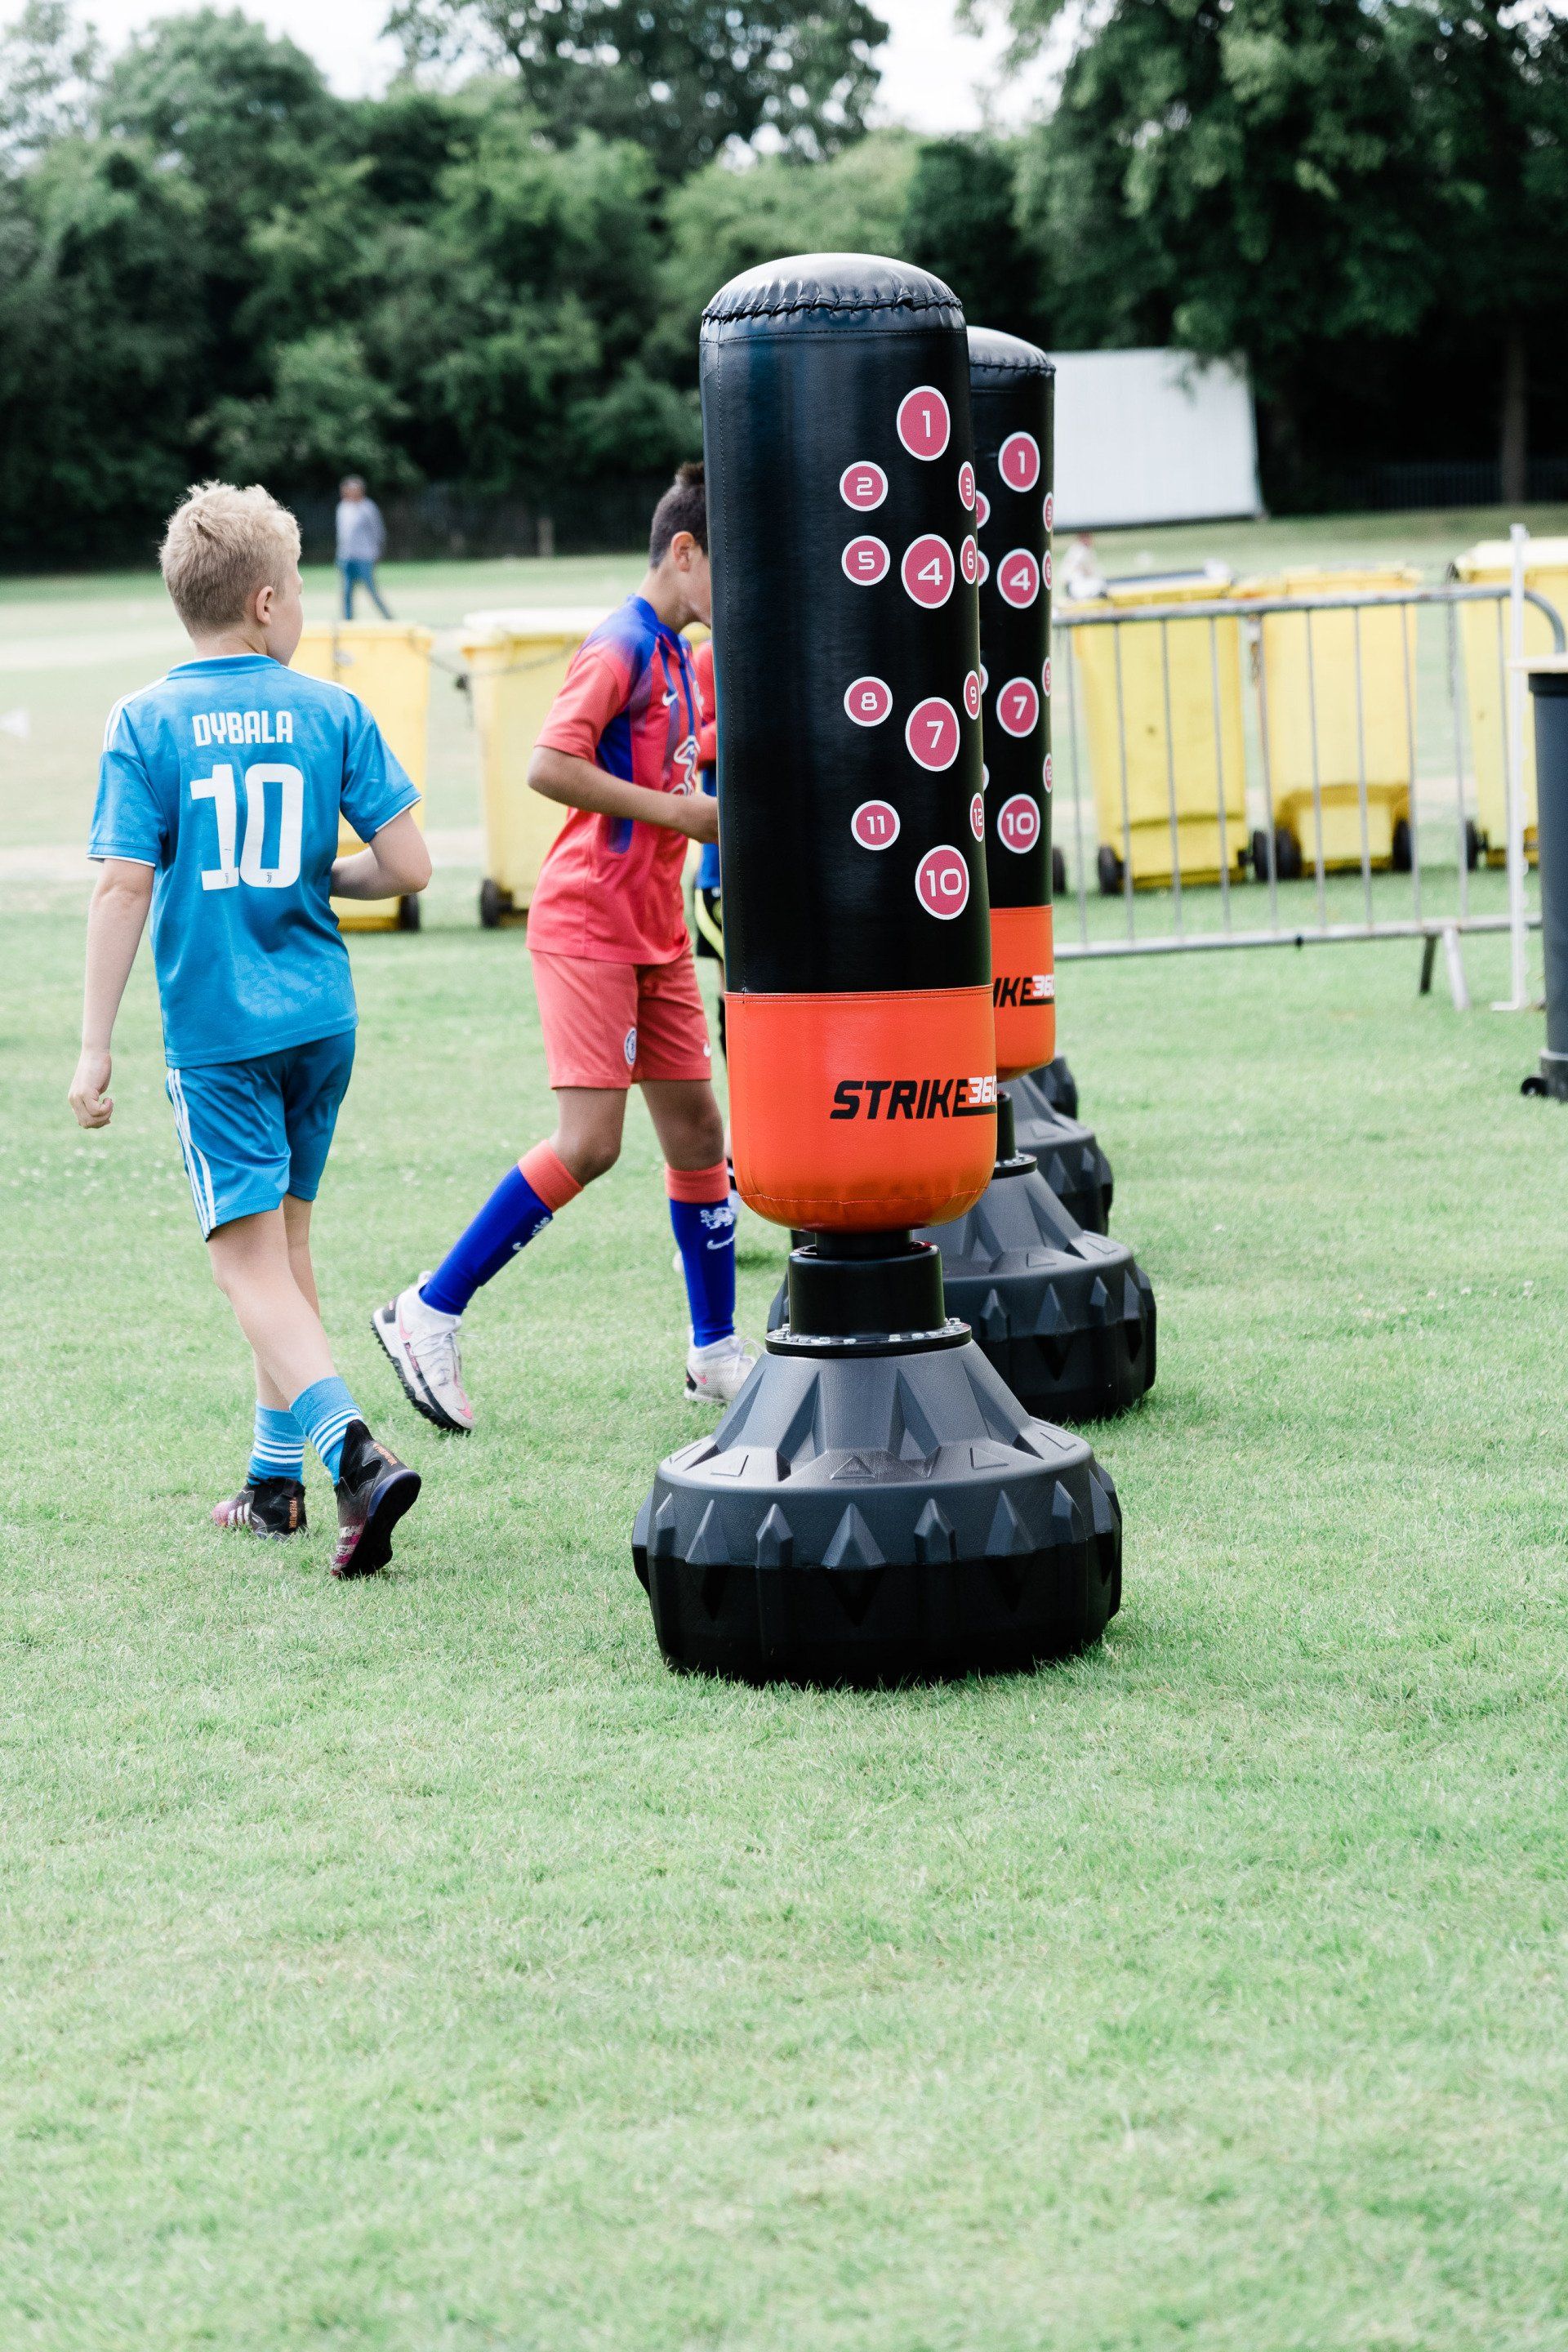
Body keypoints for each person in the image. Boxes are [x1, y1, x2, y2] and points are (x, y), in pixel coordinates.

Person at [69, 480, 432, 1576]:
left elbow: (122, 890)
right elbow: (409, 867)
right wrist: (330, 880)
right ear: (269, 602)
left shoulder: (144, 720)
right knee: (289, 1250)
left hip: (221, 1031)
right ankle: (274, 1486)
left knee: (245, 1267)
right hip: (321, 1018)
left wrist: (93, 1045)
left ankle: (351, 1459)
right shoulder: (332, 710)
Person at [374, 460, 755, 1432]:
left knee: (701, 1138)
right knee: (590, 1144)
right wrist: (678, 809)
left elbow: (684, 752)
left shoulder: (680, 650)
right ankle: (427, 1311)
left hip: (656, 930)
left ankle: (714, 1353)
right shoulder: (622, 643)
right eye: (732, 565)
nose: (738, 589)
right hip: (587, 925)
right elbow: (549, 763)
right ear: (684, 550)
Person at [336, 475, 391, 618]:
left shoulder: (368, 508)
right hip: (346, 557)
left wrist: (377, 553)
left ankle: (389, 620)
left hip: (364, 557)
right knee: (347, 592)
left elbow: (378, 531)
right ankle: (348, 622)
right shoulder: (342, 507)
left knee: (372, 591)